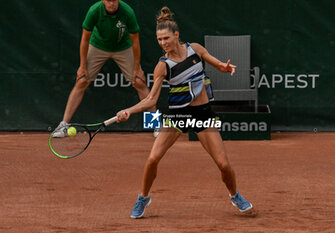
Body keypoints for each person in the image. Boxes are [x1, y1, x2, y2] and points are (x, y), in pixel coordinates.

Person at [116, 6, 253, 219]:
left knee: (224, 164)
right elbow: (151, 99)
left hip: (203, 115)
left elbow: (216, 64)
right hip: (177, 115)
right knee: (152, 159)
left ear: (176, 35)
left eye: (166, 38)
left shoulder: (195, 50)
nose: (163, 43)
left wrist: (224, 68)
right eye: (159, 39)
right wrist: (128, 111)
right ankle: (143, 197)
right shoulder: (163, 66)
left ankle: (235, 195)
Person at [53, 0, 157, 137]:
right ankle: (63, 125)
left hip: (123, 48)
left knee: (138, 81)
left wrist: (137, 68)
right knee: (82, 80)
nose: (111, 3)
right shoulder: (94, 11)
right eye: (108, 0)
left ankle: (156, 126)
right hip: (98, 46)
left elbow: (135, 41)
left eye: (114, 0)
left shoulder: (127, 12)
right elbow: (84, 39)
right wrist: (82, 66)